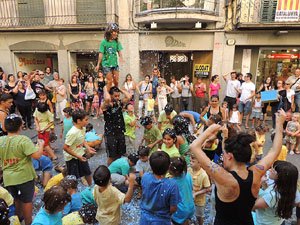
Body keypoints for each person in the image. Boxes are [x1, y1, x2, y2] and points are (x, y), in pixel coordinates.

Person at [190, 109, 287, 225]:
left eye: (224, 154)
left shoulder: (222, 176)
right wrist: (280, 124)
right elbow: (275, 151)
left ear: (230, 156)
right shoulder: (256, 173)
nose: (223, 157)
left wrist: (210, 129)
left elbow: (194, 146)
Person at [0, 114, 44, 225]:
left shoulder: (1, 140)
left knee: (16, 199)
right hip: (24, 177)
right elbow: (37, 156)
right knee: (27, 201)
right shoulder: (23, 140)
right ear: (20, 127)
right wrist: (41, 145)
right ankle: (28, 222)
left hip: (8, 178)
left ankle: (18, 219)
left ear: (4, 127)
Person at [140, 151, 181, 224]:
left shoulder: (145, 177)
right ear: (169, 167)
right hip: (161, 220)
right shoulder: (171, 185)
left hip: (144, 218)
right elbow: (173, 208)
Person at [253, 161, 299, 225]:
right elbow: (297, 202)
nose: (270, 169)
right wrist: (265, 185)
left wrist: (259, 183)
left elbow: (253, 205)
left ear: (280, 177)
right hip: (278, 221)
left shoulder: (271, 196)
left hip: (264, 222)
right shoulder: (291, 188)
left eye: (273, 170)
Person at [63, 110, 96, 186]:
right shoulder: (72, 133)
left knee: (87, 172)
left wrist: (88, 148)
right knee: (74, 177)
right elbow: (65, 147)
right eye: (86, 120)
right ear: (78, 121)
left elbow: (82, 139)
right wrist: (78, 156)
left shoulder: (83, 128)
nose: (87, 122)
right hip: (71, 158)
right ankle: (74, 192)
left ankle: (90, 187)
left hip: (80, 154)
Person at [101, 86, 131, 165]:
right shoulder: (106, 105)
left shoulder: (119, 103)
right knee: (112, 156)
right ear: (111, 95)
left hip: (120, 131)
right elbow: (107, 99)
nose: (117, 98)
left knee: (120, 154)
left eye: (118, 96)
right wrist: (105, 88)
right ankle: (109, 172)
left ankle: (115, 168)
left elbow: (129, 96)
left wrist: (119, 89)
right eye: (115, 96)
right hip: (110, 133)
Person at [94, 23, 124, 91]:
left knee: (116, 81)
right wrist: (98, 64)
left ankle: (116, 95)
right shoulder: (103, 42)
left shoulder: (117, 42)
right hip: (106, 65)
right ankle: (107, 95)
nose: (116, 34)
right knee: (109, 81)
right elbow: (101, 53)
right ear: (110, 32)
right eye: (115, 32)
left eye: (117, 32)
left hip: (115, 64)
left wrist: (121, 57)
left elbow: (119, 51)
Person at [169, 157, 194, 225]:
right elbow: (191, 187)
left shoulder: (171, 182)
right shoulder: (187, 174)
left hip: (180, 210)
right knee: (186, 221)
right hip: (190, 206)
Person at [188, 154, 211, 225]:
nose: (190, 163)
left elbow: (208, 188)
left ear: (200, 163)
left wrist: (195, 194)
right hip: (188, 198)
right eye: (190, 161)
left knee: (199, 216)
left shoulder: (203, 175)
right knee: (187, 214)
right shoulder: (188, 170)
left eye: (193, 161)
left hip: (199, 201)